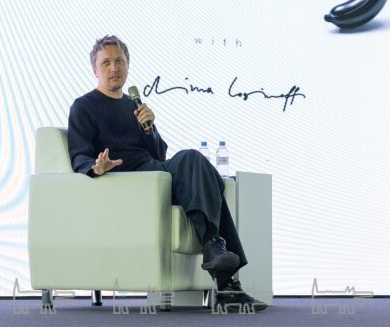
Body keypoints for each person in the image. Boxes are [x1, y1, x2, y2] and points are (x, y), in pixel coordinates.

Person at [67, 35, 267, 312]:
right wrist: (96, 167)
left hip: (154, 173)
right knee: (201, 173)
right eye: (106, 63)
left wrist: (150, 127)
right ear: (95, 69)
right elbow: (79, 155)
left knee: (195, 161)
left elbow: (158, 154)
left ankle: (215, 250)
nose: (114, 68)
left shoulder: (134, 105)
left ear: (128, 65)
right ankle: (225, 281)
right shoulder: (84, 106)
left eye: (120, 61)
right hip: (130, 181)